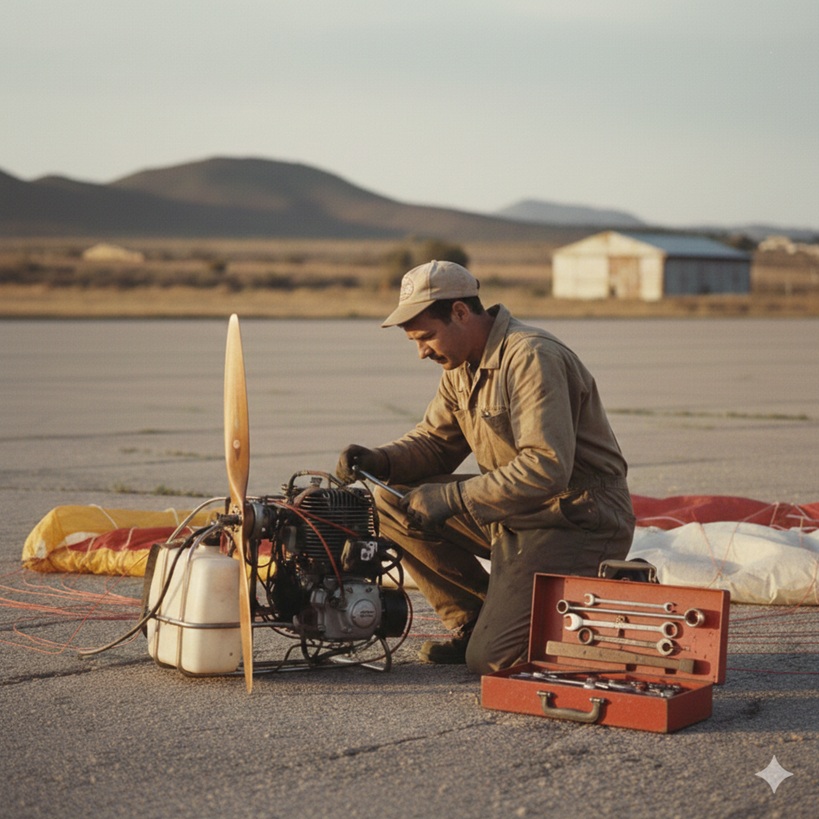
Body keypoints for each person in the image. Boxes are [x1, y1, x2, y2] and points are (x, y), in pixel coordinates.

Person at [336, 260, 635, 674]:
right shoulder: (459, 365)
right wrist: (381, 459)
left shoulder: (531, 356)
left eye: (426, 337)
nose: (421, 351)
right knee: (390, 500)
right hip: (512, 511)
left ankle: (597, 610)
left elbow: (546, 467)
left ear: (460, 312)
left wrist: (451, 497)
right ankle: (473, 621)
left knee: (497, 660)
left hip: (576, 518)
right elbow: (435, 443)